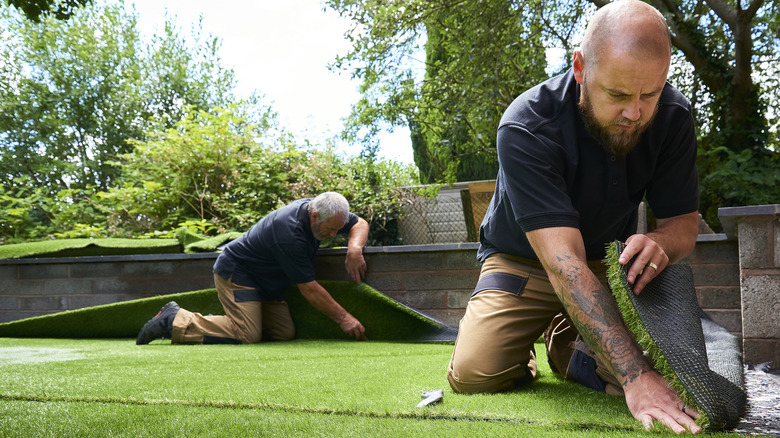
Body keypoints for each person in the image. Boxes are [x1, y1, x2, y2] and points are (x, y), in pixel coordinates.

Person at [446, 0, 703, 434]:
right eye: (618, 94)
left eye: (650, 94)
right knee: (476, 374)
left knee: (670, 373)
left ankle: (566, 343)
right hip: (523, 262)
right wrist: (634, 377)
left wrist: (661, 243)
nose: (635, 113)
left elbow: (684, 225)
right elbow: (563, 264)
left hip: (606, 262)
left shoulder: (673, 118)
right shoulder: (526, 126)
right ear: (580, 68)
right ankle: (523, 343)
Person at [136, 191, 369, 345]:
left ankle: (244, 322)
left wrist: (355, 249)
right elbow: (309, 289)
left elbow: (360, 223)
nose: (332, 235)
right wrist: (344, 319)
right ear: (315, 215)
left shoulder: (329, 212)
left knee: (283, 333)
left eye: (337, 230)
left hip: (267, 283)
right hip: (239, 272)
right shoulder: (289, 233)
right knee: (247, 335)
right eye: (329, 229)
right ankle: (174, 319)